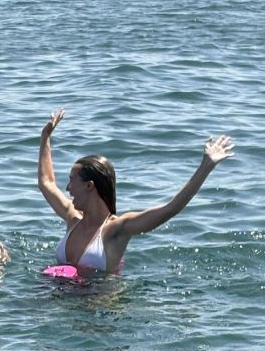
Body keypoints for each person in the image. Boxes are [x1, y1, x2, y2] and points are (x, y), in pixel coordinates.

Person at [37, 109, 234, 273]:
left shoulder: (117, 229)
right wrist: (45, 137)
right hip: (63, 299)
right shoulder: (72, 219)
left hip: (99, 305)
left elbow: (171, 208)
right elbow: (47, 182)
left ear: (89, 186)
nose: (67, 188)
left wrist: (206, 167)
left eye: (71, 181)